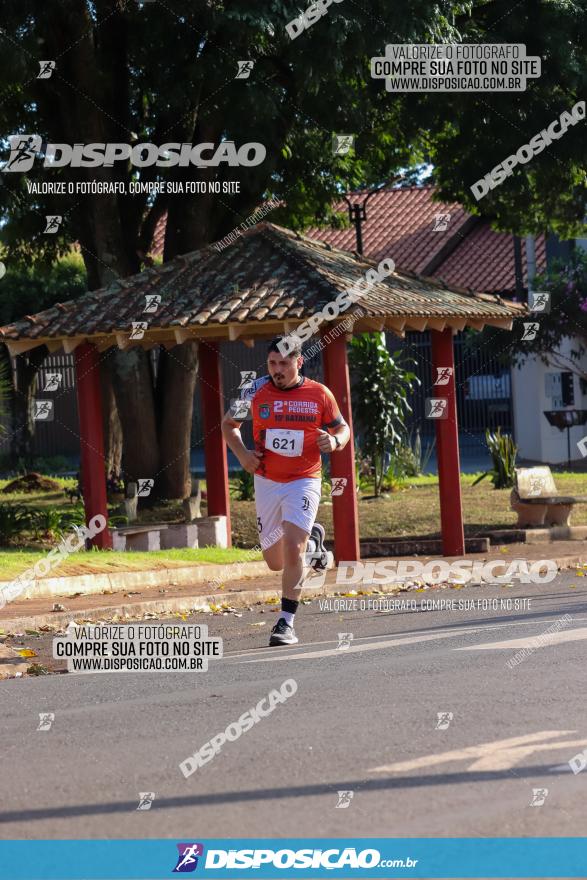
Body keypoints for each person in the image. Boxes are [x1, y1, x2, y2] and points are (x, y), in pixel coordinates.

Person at [221, 336, 350, 646]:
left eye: (284, 364)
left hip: (304, 480)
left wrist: (333, 442)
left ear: (298, 362)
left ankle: (285, 622)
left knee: (293, 548)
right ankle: (315, 541)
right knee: (275, 561)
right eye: (272, 364)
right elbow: (229, 424)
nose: (277, 370)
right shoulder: (254, 390)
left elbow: (342, 429)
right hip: (267, 480)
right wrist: (242, 455)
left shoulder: (319, 394)